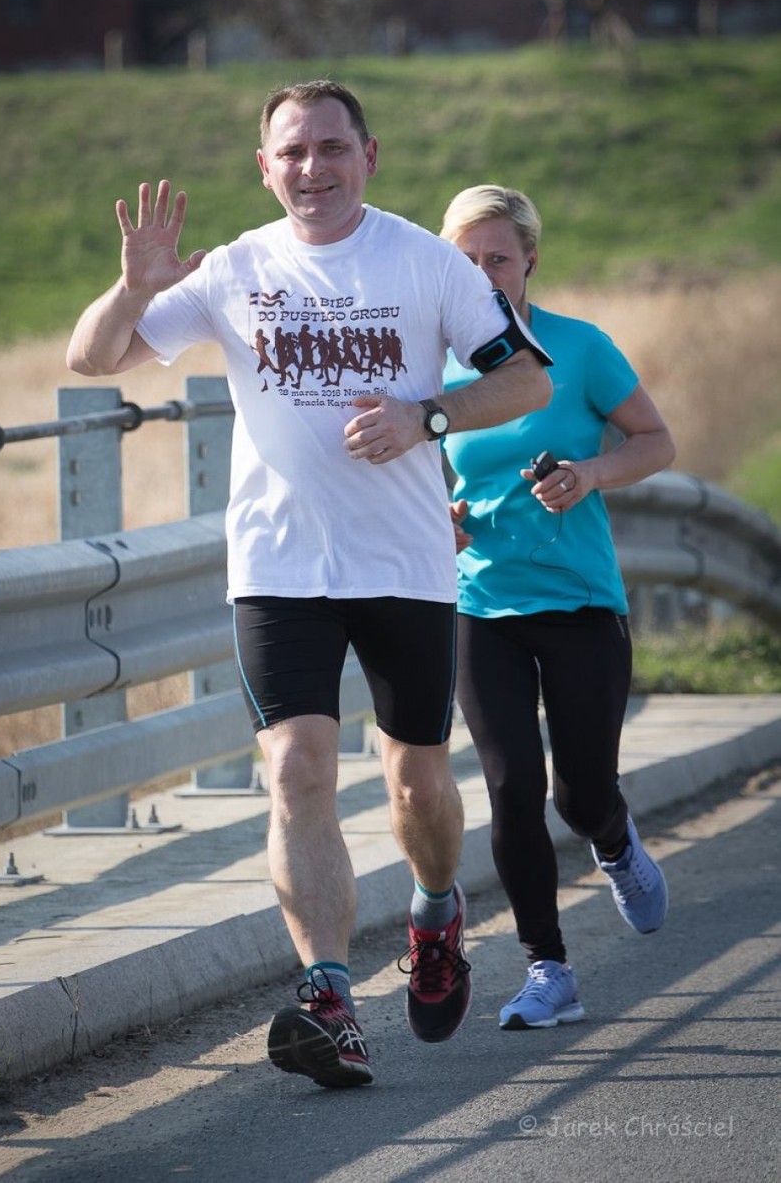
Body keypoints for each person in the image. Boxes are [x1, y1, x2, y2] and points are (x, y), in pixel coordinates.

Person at [66, 83, 553, 1086]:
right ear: (265, 166)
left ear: (368, 155)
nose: (313, 169)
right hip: (280, 570)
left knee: (416, 784)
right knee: (296, 775)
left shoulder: (424, 260)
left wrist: (430, 416)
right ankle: (328, 995)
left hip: (406, 567)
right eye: (293, 153)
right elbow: (92, 359)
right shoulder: (238, 268)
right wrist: (133, 286)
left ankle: (434, 909)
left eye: (333, 148)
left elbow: (528, 378)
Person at [439, 184, 675, 1030]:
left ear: (530, 260)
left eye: (496, 257)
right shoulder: (430, 359)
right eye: (464, 260)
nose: (481, 274)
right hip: (483, 605)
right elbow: (416, 468)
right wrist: (442, 515)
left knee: (579, 795)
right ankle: (549, 970)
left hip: (580, 602)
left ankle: (612, 840)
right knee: (511, 785)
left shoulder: (578, 349)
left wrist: (589, 475)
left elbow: (655, 440)